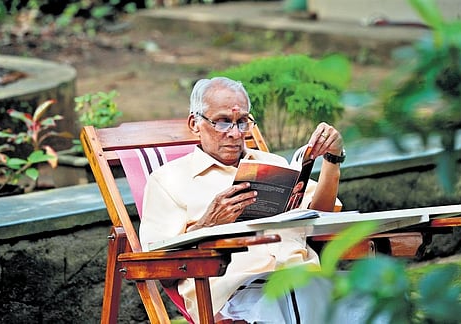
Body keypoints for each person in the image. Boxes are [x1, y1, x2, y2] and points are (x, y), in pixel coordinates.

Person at [140, 76, 347, 323]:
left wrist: (332, 161)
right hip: (232, 293)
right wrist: (207, 225)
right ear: (195, 123)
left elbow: (321, 214)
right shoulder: (168, 180)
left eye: (242, 122)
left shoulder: (274, 165)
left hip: (301, 277)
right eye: (223, 122)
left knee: (368, 294)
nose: (235, 134)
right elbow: (158, 265)